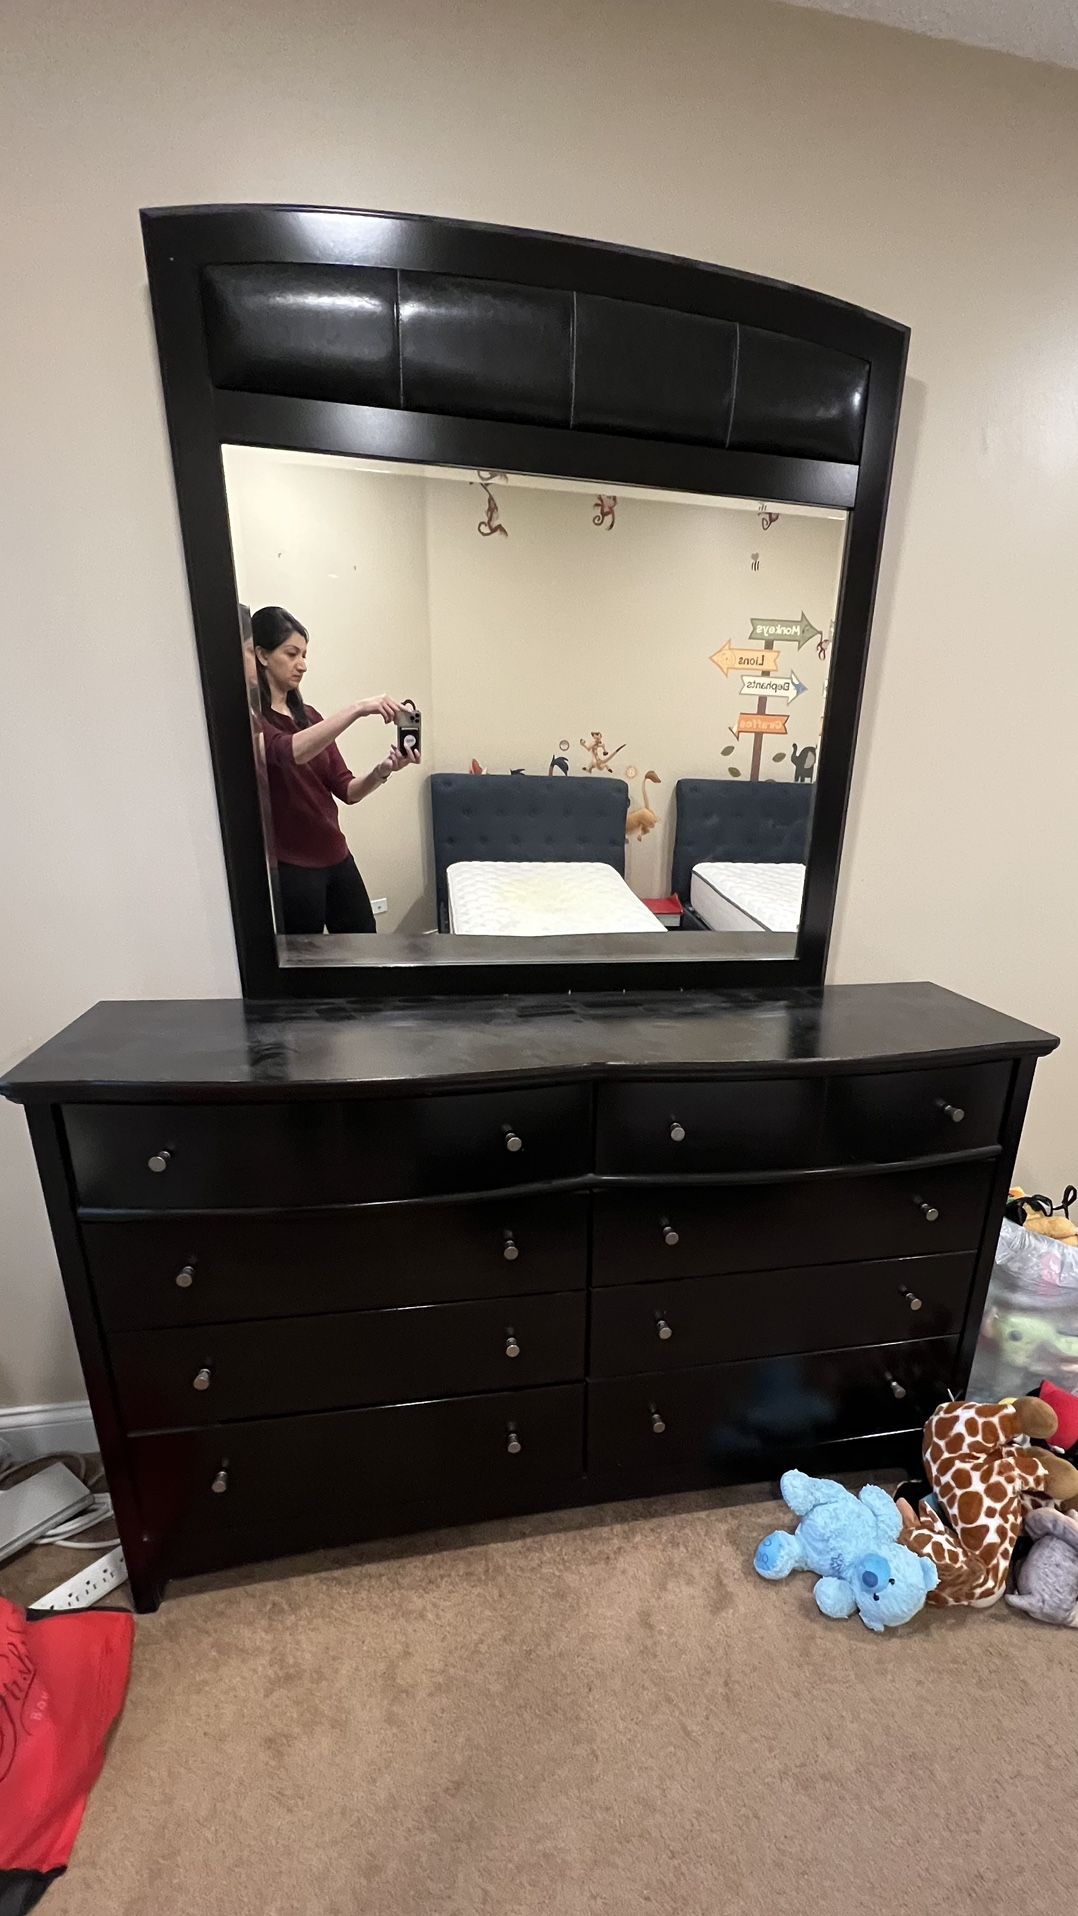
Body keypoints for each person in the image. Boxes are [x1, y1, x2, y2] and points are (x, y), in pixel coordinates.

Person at [250, 605, 418, 934]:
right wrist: (358, 708)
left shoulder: (310, 716)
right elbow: (287, 751)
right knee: (308, 968)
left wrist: (383, 770)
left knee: (364, 948)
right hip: (292, 869)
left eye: (305, 654)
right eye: (292, 653)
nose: (303, 665)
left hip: (337, 857)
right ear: (262, 655)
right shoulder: (255, 722)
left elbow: (347, 790)